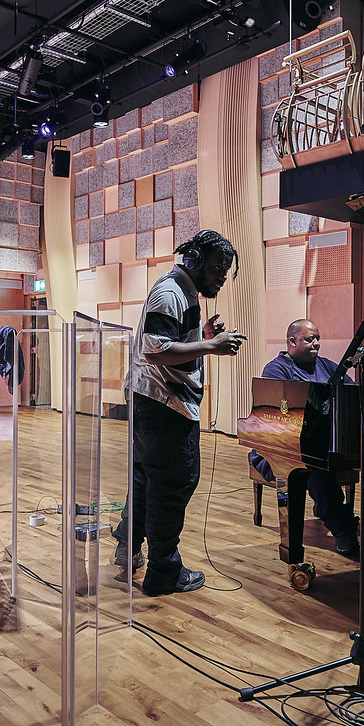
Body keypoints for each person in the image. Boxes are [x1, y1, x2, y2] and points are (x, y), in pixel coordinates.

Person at [111, 230, 247, 595]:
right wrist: (212, 345)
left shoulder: (181, 289)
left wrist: (200, 334)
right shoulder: (171, 291)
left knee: (149, 480)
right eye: (217, 268)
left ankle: (132, 548)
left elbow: (170, 342)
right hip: (163, 405)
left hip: (153, 403)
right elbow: (155, 348)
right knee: (174, 484)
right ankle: (163, 572)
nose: (221, 276)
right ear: (195, 260)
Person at [249, 319, 364, 556]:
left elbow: (353, 395)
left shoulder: (326, 366)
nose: (316, 344)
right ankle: (343, 529)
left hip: (335, 440)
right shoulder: (276, 370)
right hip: (286, 447)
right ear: (292, 341)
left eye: (318, 339)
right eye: (309, 339)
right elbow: (278, 418)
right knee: (314, 465)